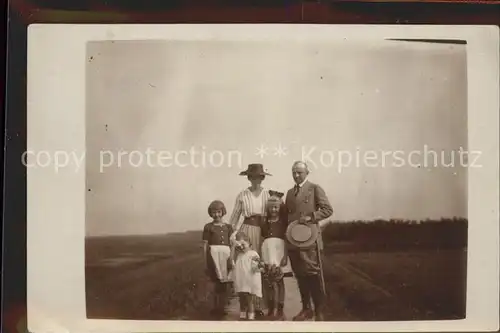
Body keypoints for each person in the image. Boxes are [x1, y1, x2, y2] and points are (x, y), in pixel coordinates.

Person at [284, 161, 333, 321]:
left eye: (299, 172)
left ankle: (319, 310)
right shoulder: (290, 193)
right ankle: (306, 309)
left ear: (307, 173)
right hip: (293, 240)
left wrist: (311, 217)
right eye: (293, 172)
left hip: (309, 240)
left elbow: (327, 210)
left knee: (312, 274)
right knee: (300, 275)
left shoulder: (314, 188)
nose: (296, 175)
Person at [228, 163, 273, 318]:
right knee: (247, 269)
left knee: (260, 267)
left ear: (262, 178)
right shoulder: (242, 195)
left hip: (263, 232)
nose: (256, 180)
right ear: (249, 178)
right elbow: (234, 217)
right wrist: (232, 236)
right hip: (247, 231)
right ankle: (247, 307)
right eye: (253, 177)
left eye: (259, 177)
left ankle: (261, 306)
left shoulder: (268, 194)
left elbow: (274, 213)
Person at [202, 200, 234, 318]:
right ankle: (215, 307)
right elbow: (205, 245)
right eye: (214, 212)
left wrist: (231, 258)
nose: (217, 215)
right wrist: (205, 261)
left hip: (225, 256)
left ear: (223, 212)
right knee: (215, 283)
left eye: (219, 212)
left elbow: (232, 244)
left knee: (224, 284)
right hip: (213, 256)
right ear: (210, 213)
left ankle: (222, 306)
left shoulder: (228, 227)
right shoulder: (208, 227)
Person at [260, 195, 289, 320]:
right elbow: (262, 239)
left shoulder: (283, 222)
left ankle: (280, 308)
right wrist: (262, 256)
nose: (273, 210)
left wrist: (285, 256)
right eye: (271, 207)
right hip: (267, 251)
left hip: (279, 252)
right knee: (269, 281)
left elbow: (287, 240)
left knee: (279, 280)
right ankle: (271, 308)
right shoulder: (264, 222)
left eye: (276, 207)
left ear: (279, 208)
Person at [232, 232, 264, 321]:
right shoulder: (239, 255)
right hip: (241, 280)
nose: (241, 247)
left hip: (249, 280)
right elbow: (233, 263)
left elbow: (256, 267)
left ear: (249, 243)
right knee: (241, 298)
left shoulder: (253, 254)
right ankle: (242, 315)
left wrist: (258, 266)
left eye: (243, 244)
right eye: (239, 245)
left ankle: (251, 317)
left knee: (250, 299)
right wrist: (233, 248)